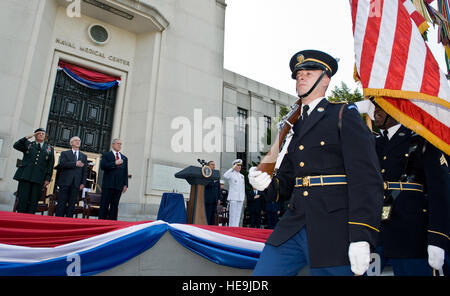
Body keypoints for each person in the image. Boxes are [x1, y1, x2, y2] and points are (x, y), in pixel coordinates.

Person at [249, 49, 384, 276]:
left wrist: (362, 234)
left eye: (309, 73)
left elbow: (367, 178)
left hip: (333, 227)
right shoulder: (295, 127)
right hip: (293, 224)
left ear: (325, 79)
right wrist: (266, 184)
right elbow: (289, 180)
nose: (301, 77)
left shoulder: (342, 114)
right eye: (298, 74)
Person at [372, 102, 449, 276]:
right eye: (374, 105)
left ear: (397, 108)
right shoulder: (373, 143)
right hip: (376, 231)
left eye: (381, 105)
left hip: (410, 233)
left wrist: (438, 237)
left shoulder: (423, 139)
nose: (375, 110)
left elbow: (440, 192)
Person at [13, 128, 55, 213]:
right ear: (35, 135)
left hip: (39, 178)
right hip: (25, 176)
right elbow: (16, 145)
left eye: (43, 133)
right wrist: (26, 137)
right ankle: (20, 218)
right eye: (39, 133)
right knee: (23, 199)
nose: (41, 135)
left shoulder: (49, 148)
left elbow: (50, 165)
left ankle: (29, 220)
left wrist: (47, 178)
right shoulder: (28, 144)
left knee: (33, 201)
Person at [55, 136, 88, 217]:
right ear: (71, 143)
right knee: (61, 203)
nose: (78, 142)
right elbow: (62, 164)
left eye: (79, 141)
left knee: (72, 204)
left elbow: (85, 171)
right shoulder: (65, 153)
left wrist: (83, 183)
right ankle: (58, 221)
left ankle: (68, 221)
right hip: (65, 182)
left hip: (76, 183)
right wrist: (75, 164)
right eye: (76, 140)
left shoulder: (83, 156)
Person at [99, 138, 128, 220]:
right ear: (113, 145)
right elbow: (103, 166)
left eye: (120, 144)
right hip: (108, 185)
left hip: (118, 186)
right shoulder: (106, 155)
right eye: (118, 143)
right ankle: (101, 222)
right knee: (104, 205)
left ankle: (112, 223)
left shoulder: (124, 158)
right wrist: (114, 163)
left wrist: (125, 184)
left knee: (115, 206)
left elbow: (125, 172)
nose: (119, 145)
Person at [223, 159, 246, 227]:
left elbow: (243, 188)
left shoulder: (242, 176)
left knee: (238, 214)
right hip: (233, 197)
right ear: (234, 166)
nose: (239, 167)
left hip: (240, 197)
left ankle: (236, 228)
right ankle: (231, 227)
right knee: (232, 214)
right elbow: (225, 175)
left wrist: (243, 197)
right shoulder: (231, 174)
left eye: (240, 166)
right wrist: (232, 168)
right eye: (238, 165)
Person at [204, 161, 220, 225]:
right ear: (208, 166)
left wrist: (219, 198)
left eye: (214, 165)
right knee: (207, 215)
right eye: (212, 164)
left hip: (215, 200)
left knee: (213, 217)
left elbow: (218, 189)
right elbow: (206, 185)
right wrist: (213, 182)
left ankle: (211, 228)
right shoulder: (206, 174)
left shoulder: (216, 175)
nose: (213, 166)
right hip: (208, 199)